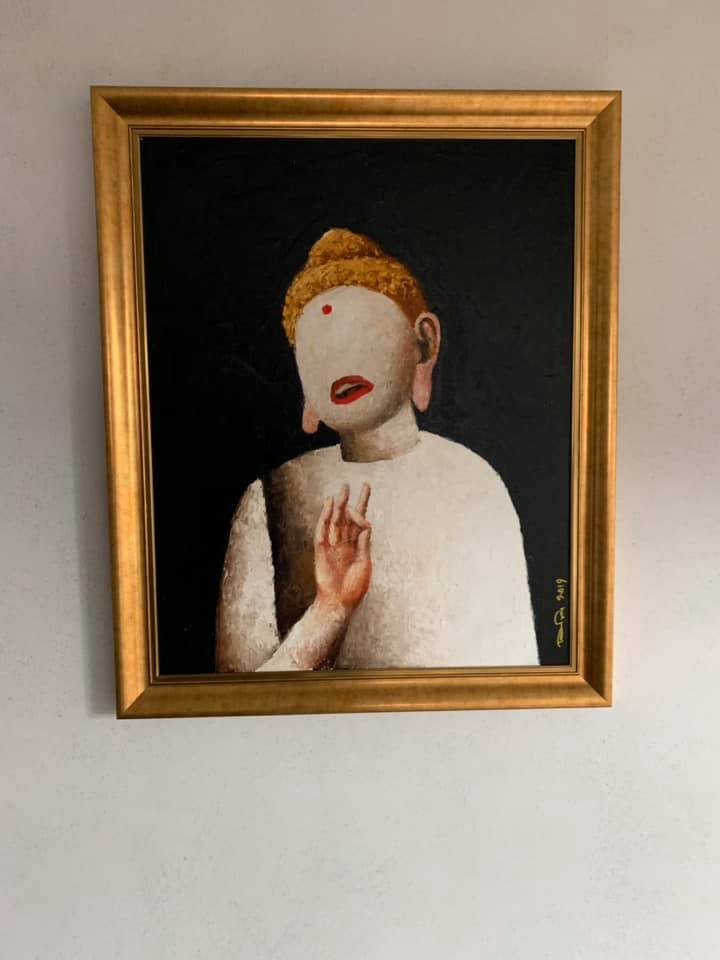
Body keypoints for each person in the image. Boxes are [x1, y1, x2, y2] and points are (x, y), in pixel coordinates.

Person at [215, 228, 538, 671]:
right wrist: (330, 609)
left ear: (423, 342)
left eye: (359, 334)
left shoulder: (474, 486)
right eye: (318, 350)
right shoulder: (268, 496)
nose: (340, 362)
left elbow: (510, 675)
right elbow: (235, 699)